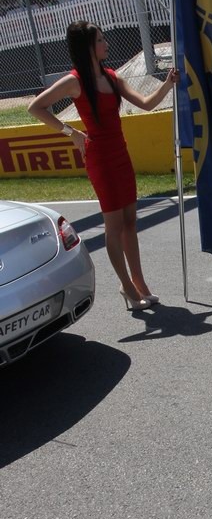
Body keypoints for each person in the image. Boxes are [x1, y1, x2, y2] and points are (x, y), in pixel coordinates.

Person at [28, 21, 179, 309]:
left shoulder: (111, 76)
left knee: (131, 221)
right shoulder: (74, 81)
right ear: (88, 46)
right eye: (100, 39)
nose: (106, 43)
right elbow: (36, 107)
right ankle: (127, 287)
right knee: (114, 225)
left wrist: (168, 83)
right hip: (99, 157)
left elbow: (146, 103)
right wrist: (70, 133)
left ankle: (139, 282)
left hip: (120, 154)